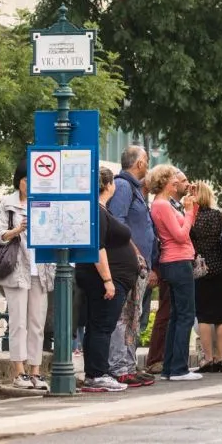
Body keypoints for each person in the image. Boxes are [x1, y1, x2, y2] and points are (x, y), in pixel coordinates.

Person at [76, 168, 139, 392]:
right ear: (109, 185)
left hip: (111, 277)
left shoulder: (101, 211)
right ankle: (97, 373)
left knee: (98, 326)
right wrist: (108, 279)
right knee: (102, 326)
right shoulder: (98, 212)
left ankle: (96, 371)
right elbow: (97, 247)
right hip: (105, 278)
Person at [0, 161, 51, 391]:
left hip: (41, 268)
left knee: (37, 322)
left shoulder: (44, 202)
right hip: (17, 268)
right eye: (25, 180)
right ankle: (19, 371)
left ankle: (35, 371)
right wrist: (18, 230)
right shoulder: (8, 203)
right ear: (19, 181)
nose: (29, 184)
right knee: (18, 322)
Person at [107, 145, 155, 387]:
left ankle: (127, 364)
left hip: (139, 266)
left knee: (134, 317)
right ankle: (118, 366)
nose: (147, 165)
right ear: (138, 164)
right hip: (128, 263)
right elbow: (118, 221)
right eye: (146, 160)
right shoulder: (124, 186)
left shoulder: (135, 189)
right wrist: (136, 252)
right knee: (125, 316)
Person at [150, 165, 200, 380]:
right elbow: (180, 235)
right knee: (186, 314)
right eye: (174, 179)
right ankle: (179, 368)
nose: (178, 183)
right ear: (168, 183)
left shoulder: (164, 205)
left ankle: (170, 366)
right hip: (177, 260)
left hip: (175, 261)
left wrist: (191, 208)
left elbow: (186, 225)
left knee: (177, 315)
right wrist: (188, 212)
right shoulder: (162, 205)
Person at [188, 181, 222, 373]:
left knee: (204, 315)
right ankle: (220, 359)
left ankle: (208, 359)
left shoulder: (193, 217)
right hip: (221, 268)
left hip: (201, 269)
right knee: (219, 316)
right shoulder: (219, 215)